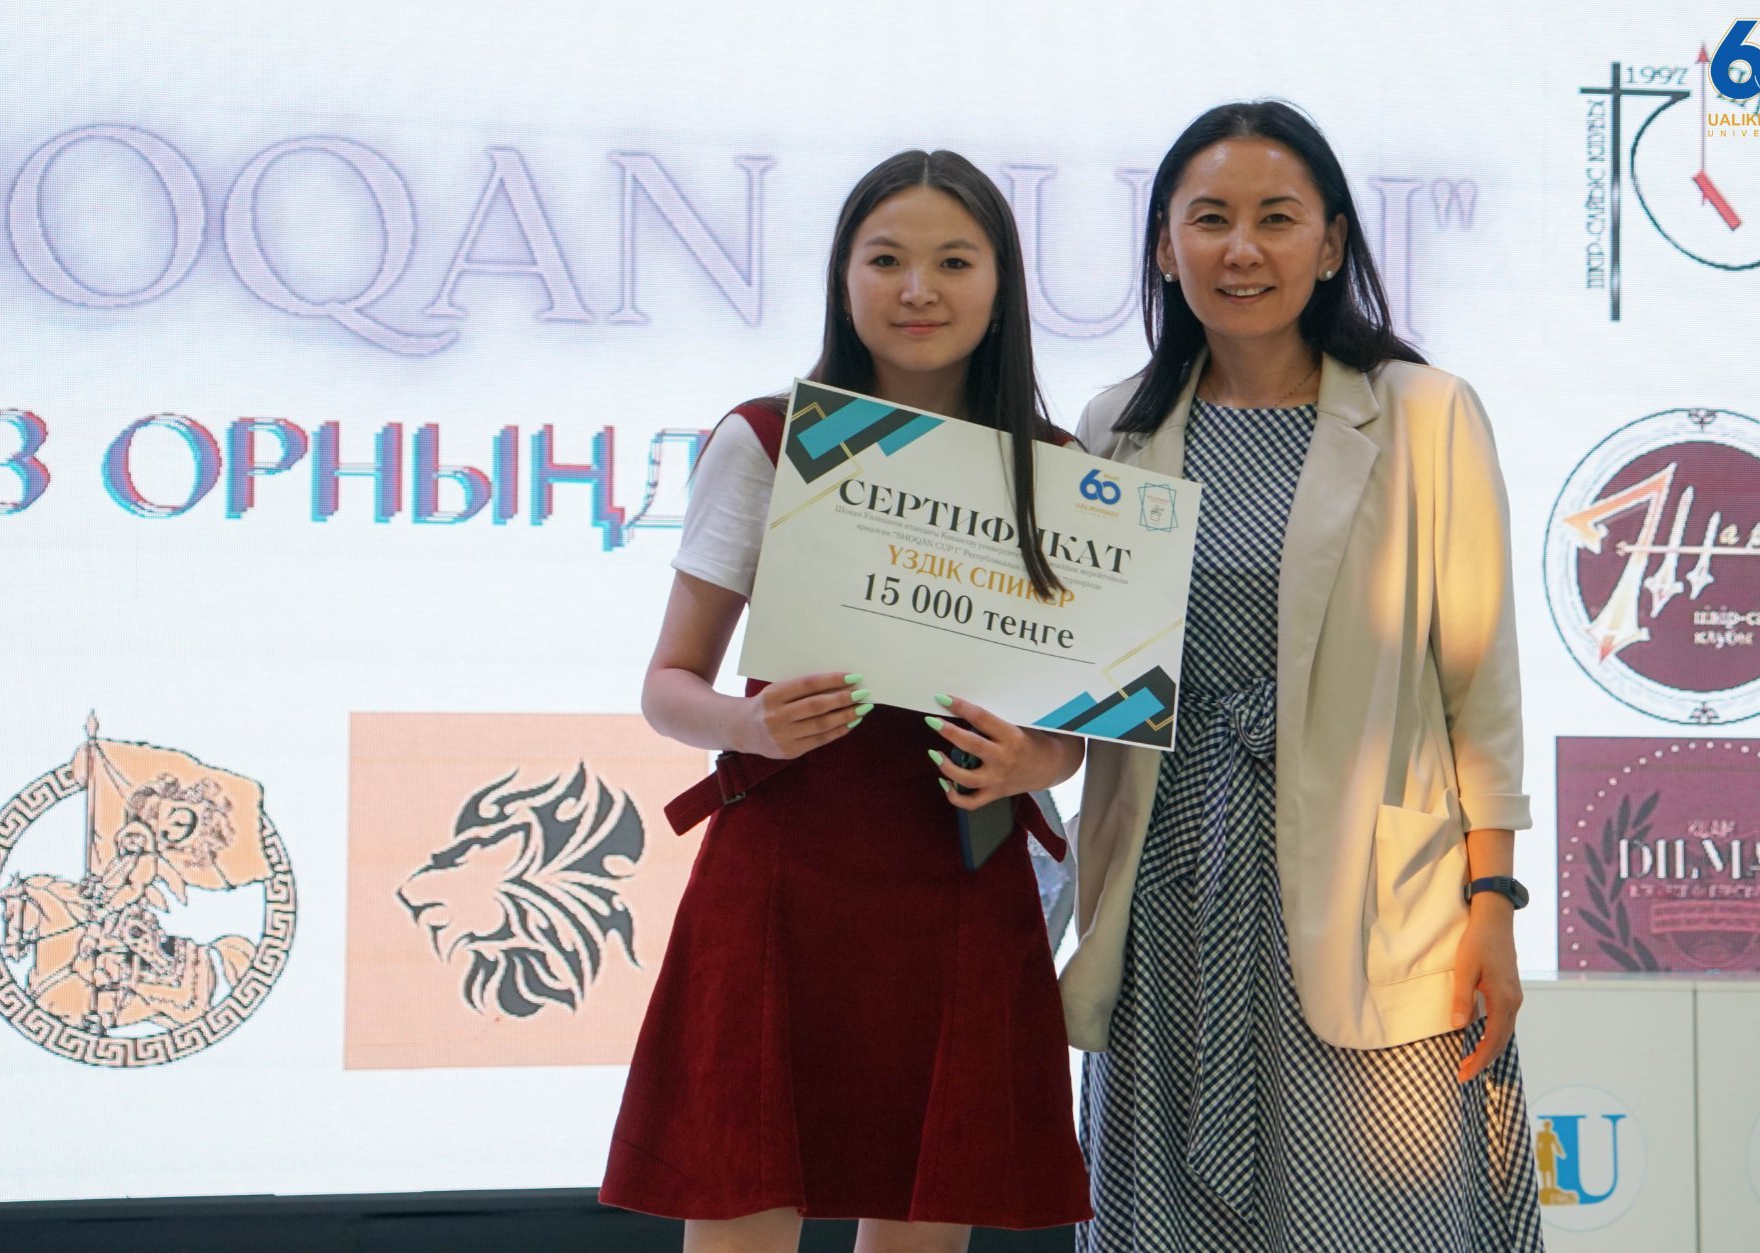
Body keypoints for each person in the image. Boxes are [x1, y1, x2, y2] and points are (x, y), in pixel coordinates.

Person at [1066, 101, 1544, 1251]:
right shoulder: (1114, 429)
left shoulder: (1424, 415)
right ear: (1162, 247)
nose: (1242, 249)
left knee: (1383, 1213)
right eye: (1209, 220)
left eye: (1276, 219)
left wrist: (1491, 901)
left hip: (1378, 893)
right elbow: (1087, 681)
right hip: (1171, 889)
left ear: (1329, 244)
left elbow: (1477, 689)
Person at [600, 150, 1093, 1253]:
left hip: (960, 873)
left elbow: (1071, 736)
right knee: (742, 1196)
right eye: (886, 260)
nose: (918, 289)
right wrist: (748, 723)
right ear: (842, 276)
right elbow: (667, 685)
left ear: (1001, 284)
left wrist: (1031, 762)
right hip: (785, 866)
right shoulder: (769, 441)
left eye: (953, 261)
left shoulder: (1059, 469)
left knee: (925, 1206)